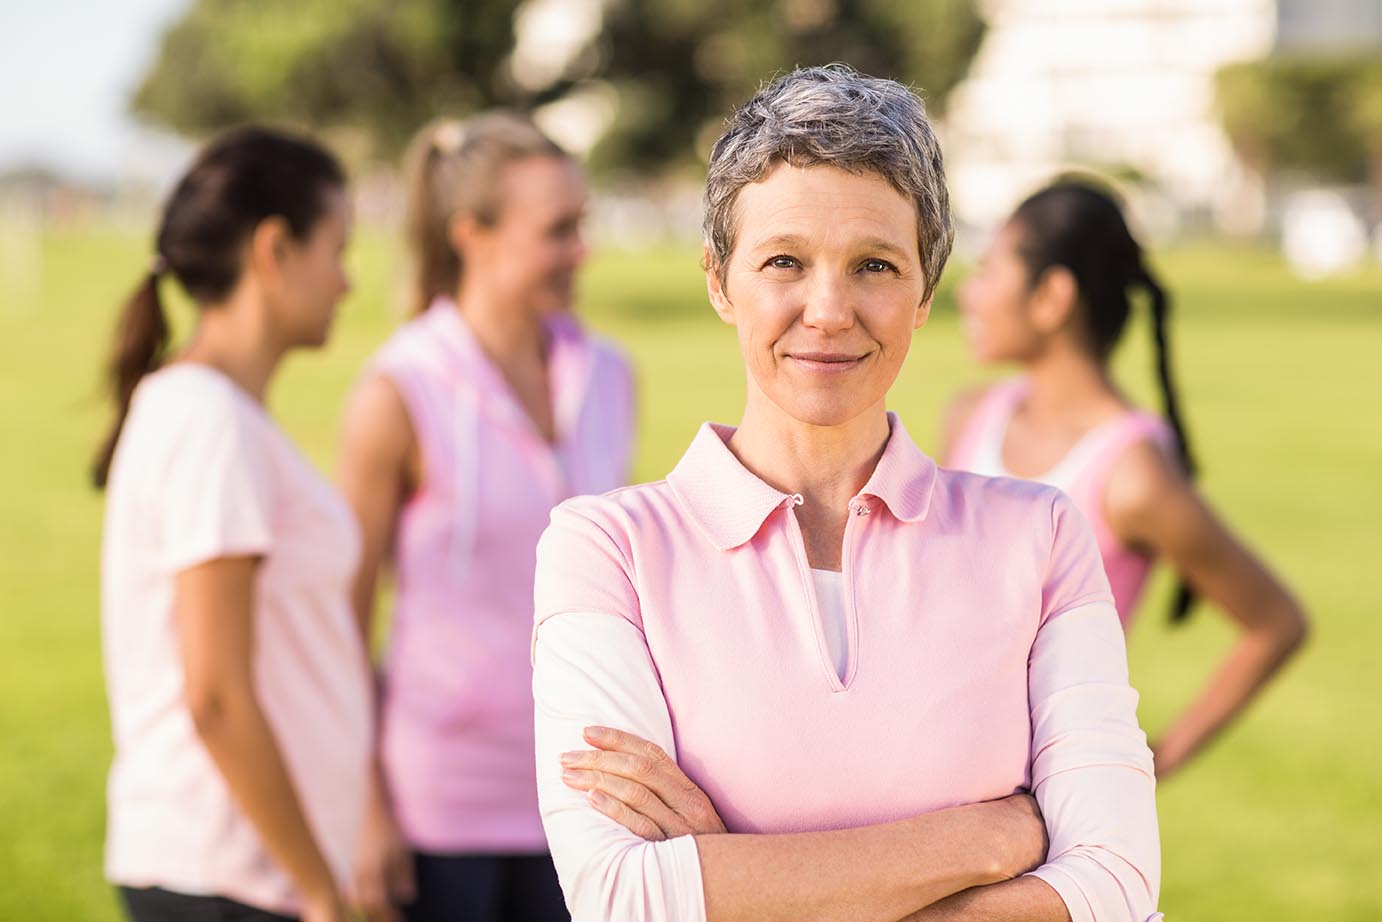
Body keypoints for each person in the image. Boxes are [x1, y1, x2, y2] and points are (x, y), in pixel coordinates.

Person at [532, 65, 1161, 922]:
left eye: (874, 265)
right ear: (720, 279)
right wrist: (989, 841)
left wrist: (736, 877)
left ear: (925, 291)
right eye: (784, 261)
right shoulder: (608, 550)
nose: (828, 309)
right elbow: (620, 897)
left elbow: (1117, 888)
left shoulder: (1042, 535)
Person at [338, 112, 635, 922]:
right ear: (471, 233)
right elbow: (344, 617)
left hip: (584, 804)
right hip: (441, 804)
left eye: (583, 225)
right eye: (559, 230)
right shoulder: (398, 391)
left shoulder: (609, 375)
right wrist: (364, 812)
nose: (583, 250)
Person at [942, 180, 1308, 778]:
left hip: (1042, 807)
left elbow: (1275, 623)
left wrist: (1148, 765)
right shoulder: (971, 416)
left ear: (1053, 297)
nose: (971, 295)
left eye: (988, 270)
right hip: (937, 778)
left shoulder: (1131, 473)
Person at [95, 127, 369, 922]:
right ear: (275, 249)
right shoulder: (208, 419)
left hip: (247, 874)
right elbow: (215, 695)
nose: (347, 282)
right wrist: (321, 893)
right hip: (226, 878)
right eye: (337, 249)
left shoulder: (215, 413)